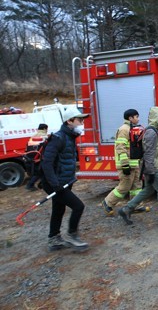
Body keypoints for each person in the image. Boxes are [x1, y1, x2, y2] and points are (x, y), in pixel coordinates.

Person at [118, 106, 158, 225]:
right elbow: (148, 153)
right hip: (152, 167)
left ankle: (126, 209)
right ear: (157, 118)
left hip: (152, 166)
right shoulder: (151, 132)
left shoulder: (156, 130)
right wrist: (151, 171)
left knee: (149, 189)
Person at [41, 107, 89, 252]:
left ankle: (53, 239)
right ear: (69, 121)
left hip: (64, 181)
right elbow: (46, 163)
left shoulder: (69, 137)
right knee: (78, 206)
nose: (81, 122)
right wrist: (55, 184)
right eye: (79, 119)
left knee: (58, 208)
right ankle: (72, 236)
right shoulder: (59, 138)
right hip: (55, 183)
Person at [101, 109, 148, 216]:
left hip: (134, 163)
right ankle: (107, 202)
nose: (138, 118)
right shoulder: (124, 130)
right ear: (130, 118)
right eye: (136, 116)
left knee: (136, 185)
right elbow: (121, 148)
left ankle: (134, 206)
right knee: (125, 186)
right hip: (126, 164)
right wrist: (125, 164)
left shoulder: (133, 129)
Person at [25, 123, 49, 191]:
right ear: (45, 129)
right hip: (39, 157)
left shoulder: (33, 136)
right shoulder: (45, 136)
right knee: (40, 172)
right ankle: (30, 185)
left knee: (39, 171)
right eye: (47, 129)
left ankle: (40, 184)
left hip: (31, 156)